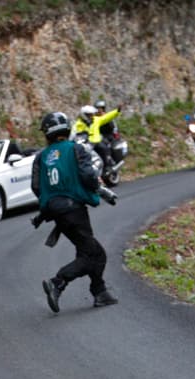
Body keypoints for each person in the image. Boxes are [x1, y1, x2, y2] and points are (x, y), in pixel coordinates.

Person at [32, 111, 118, 311]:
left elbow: (36, 187)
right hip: (74, 210)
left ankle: (100, 292)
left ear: (47, 133)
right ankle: (58, 282)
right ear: (66, 128)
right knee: (95, 255)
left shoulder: (41, 157)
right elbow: (88, 176)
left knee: (87, 250)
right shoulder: (76, 149)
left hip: (56, 211)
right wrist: (98, 189)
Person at [72, 101, 122, 175]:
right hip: (86, 143)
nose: (91, 116)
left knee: (103, 149)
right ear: (84, 115)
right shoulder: (78, 124)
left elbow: (106, 117)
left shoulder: (95, 120)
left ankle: (108, 165)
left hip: (96, 141)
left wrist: (117, 111)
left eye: (92, 114)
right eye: (89, 115)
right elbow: (73, 133)